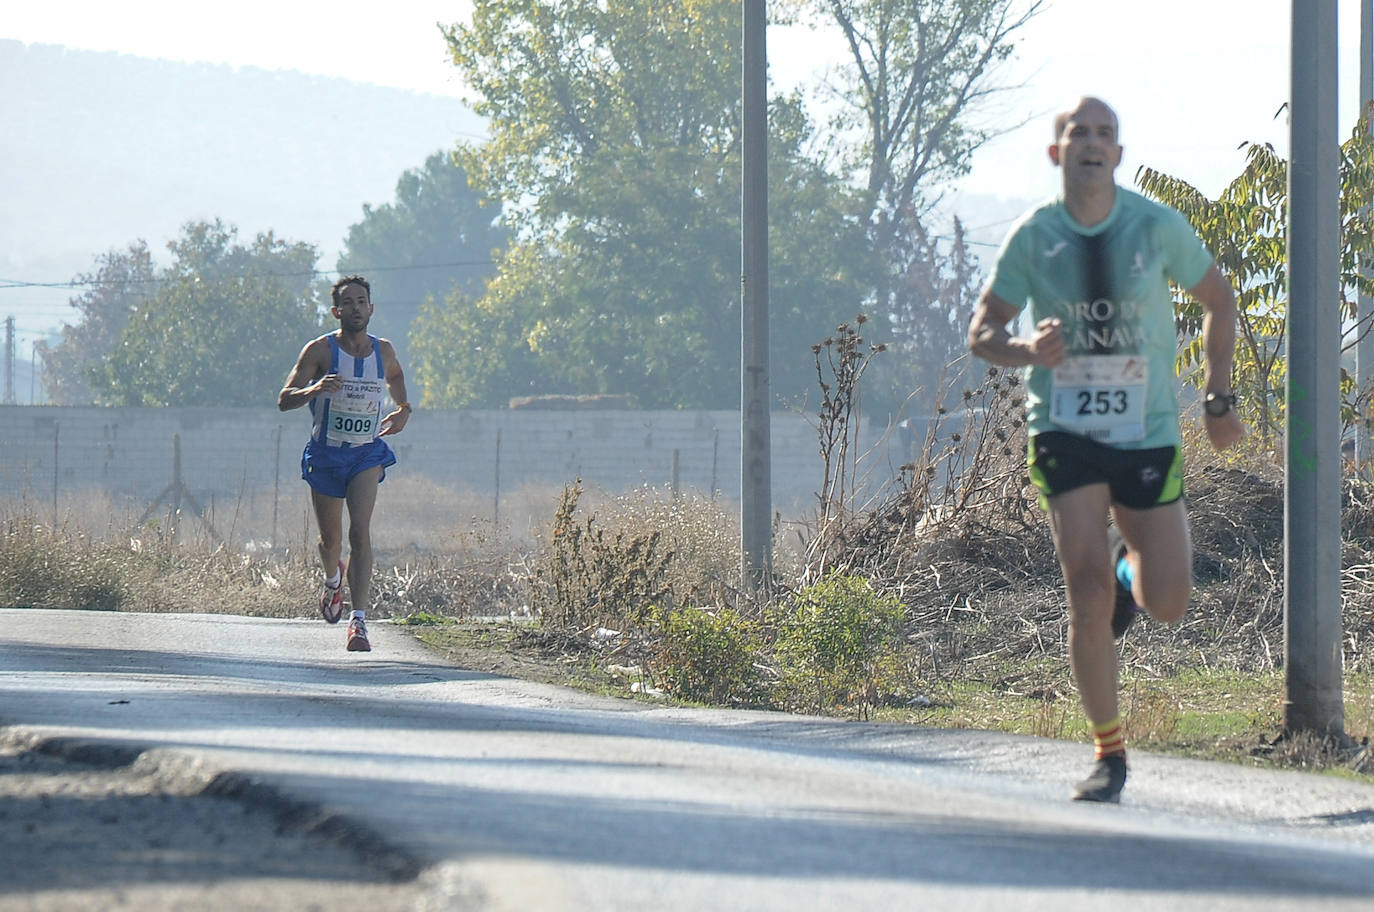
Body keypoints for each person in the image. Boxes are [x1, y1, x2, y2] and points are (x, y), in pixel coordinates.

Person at [968, 97, 1246, 803]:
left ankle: (1132, 572)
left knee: (1171, 602)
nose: (1091, 144)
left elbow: (1221, 299)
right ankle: (1109, 754)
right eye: (1077, 133)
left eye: (1105, 134)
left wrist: (1217, 400)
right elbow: (982, 332)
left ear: (1118, 155)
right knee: (1082, 590)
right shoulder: (1034, 236)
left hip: (1146, 431)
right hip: (1064, 429)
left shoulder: (1155, 227)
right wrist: (1026, 348)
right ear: (1057, 154)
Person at [278, 275, 411, 652]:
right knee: (331, 541)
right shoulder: (320, 351)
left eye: (361, 301)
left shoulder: (383, 351)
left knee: (360, 534)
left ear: (371, 308)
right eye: (348, 303)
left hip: (366, 453)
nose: (355, 308)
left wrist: (404, 409)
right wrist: (314, 389)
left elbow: (397, 377)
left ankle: (359, 622)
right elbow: (284, 399)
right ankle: (333, 579)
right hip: (326, 454)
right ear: (337, 311)